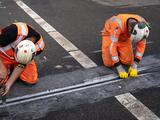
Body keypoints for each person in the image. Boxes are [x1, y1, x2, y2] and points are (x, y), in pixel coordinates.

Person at [0, 22, 45, 96]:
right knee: (1, 79)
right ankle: (7, 68)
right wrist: (2, 69)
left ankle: (10, 69)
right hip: (4, 54)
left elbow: (21, 64)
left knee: (31, 80)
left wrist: (8, 84)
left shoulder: (39, 47)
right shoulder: (12, 32)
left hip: (22, 57)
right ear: (17, 46)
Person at [101, 14, 151, 79]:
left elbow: (141, 45)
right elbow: (112, 46)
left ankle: (118, 52)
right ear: (130, 29)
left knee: (128, 62)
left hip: (124, 36)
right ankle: (108, 49)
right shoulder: (117, 24)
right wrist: (119, 68)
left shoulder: (142, 26)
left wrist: (134, 65)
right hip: (110, 34)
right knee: (109, 64)